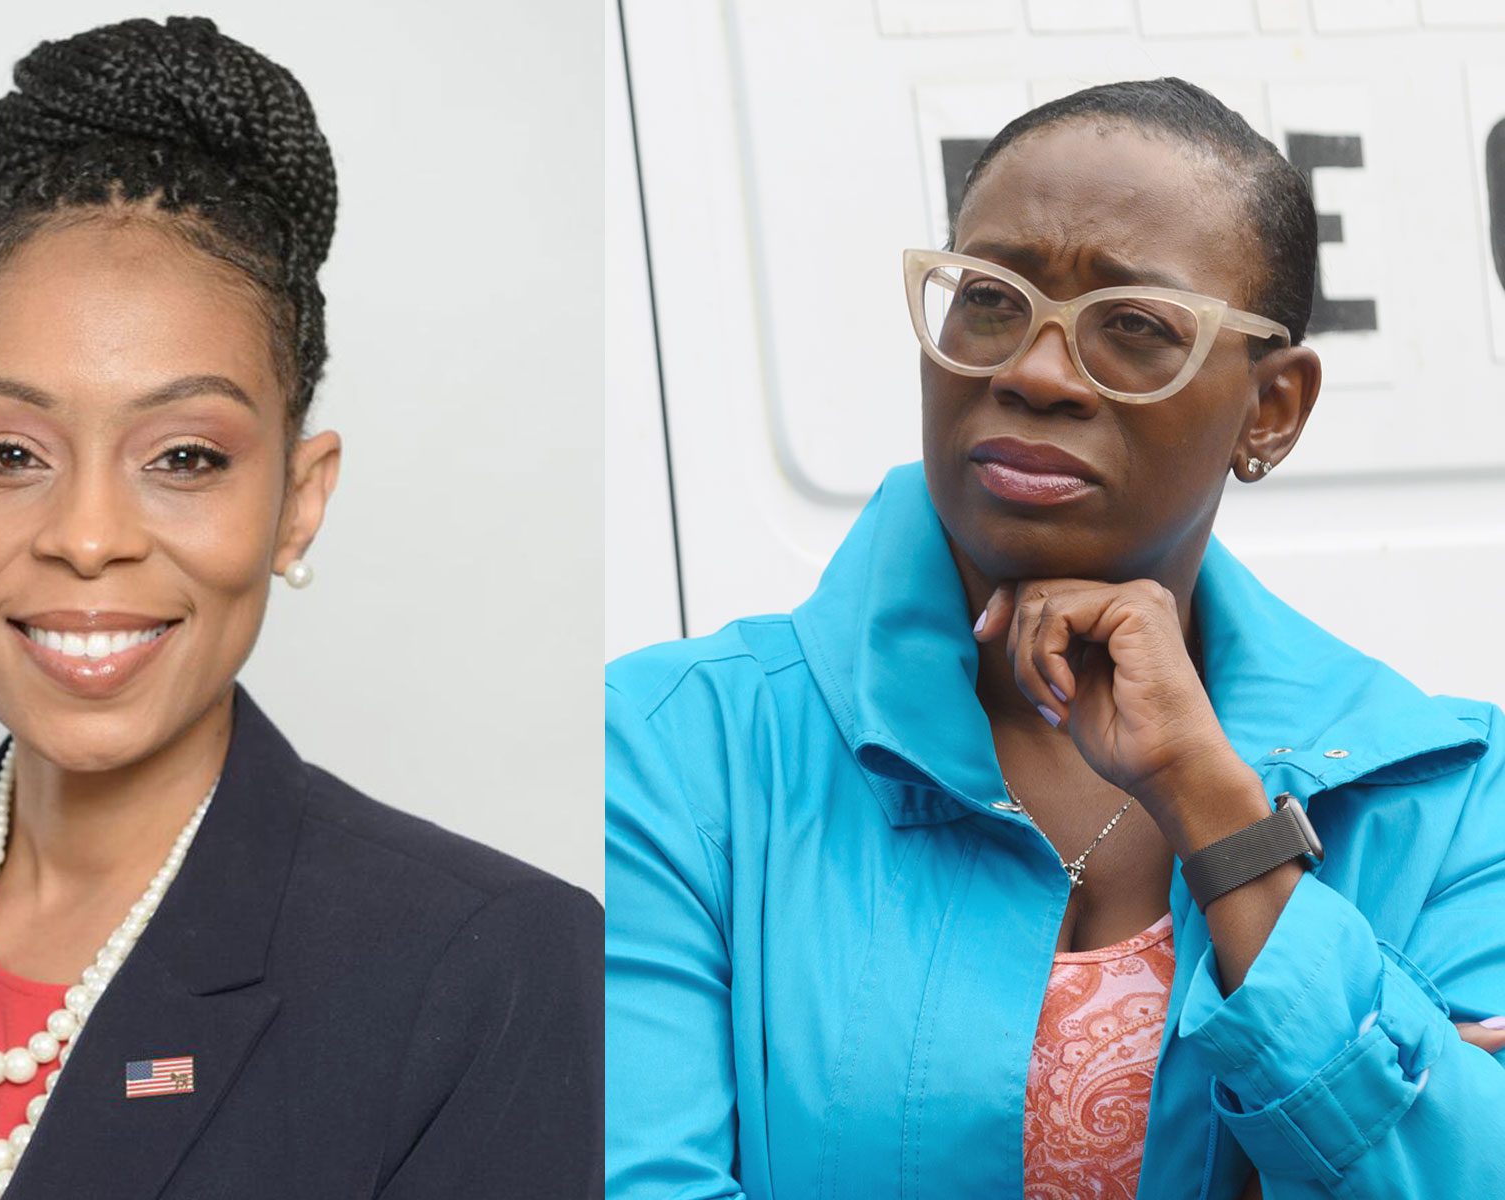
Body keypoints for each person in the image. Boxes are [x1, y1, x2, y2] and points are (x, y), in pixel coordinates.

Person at [0, 17, 601, 1199]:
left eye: (183, 456)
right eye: (9, 453)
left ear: (298, 500)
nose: (87, 537)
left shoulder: (492, 969)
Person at [605, 77, 1505, 1200]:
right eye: (988, 298)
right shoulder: (676, 750)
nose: (1030, 370)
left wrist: (1216, 813)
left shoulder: (1450, 790)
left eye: (1133, 328)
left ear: (1270, 408)